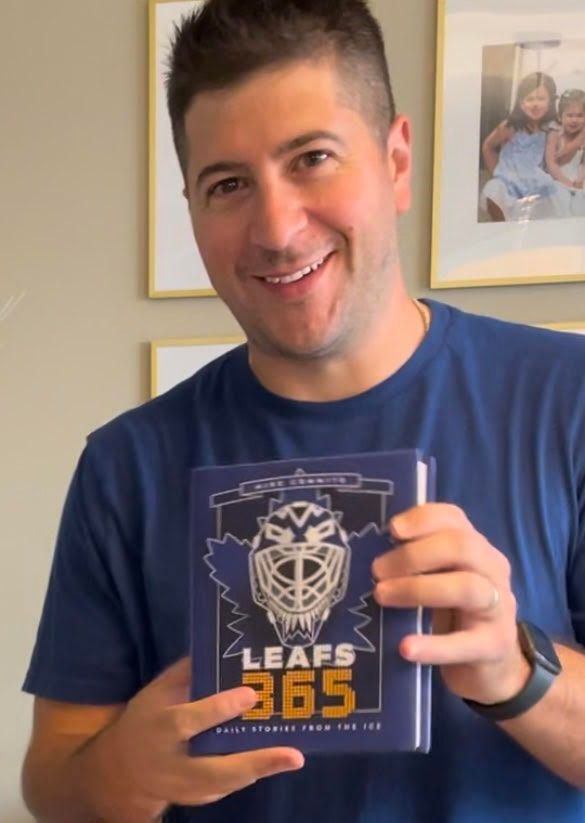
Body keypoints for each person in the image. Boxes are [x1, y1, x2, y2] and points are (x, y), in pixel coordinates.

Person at [21, 1, 585, 822]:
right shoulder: (124, 465)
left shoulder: (568, 398)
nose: (278, 229)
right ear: (191, 208)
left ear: (396, 160)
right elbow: (53, 783)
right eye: (227, 185)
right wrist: (126, 769)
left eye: (312, 158)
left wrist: (516, 669)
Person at [480, 72, 560, 221]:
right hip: (509, 180)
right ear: (521, 102)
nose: (535, 104)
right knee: (494, 190)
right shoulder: (511, 126)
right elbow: (488, 146)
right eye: (529, 99)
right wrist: (497, 172)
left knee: (549, 201)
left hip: (535, 180)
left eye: (541, 99)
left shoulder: (550, 129)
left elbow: (554, 158)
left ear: (550, 101)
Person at [546, 88, 585, 218]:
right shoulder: (555, 134)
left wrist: (581, 179)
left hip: (578, 177)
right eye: (570, 115)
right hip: (558, 177)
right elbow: (551, 163)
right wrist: (566, 182)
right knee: (559, 195)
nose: (574, 120)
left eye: (580, 116)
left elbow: (583, 162)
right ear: (560, 117)